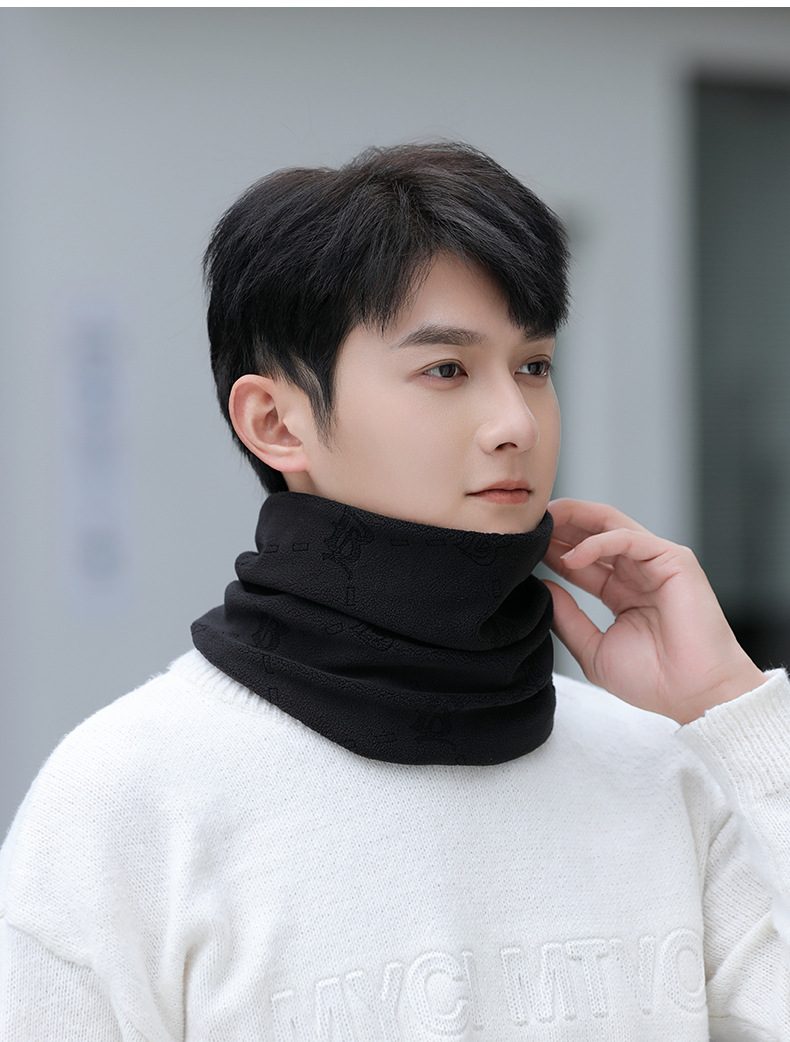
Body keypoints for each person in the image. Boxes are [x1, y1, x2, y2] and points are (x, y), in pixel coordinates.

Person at [1, 142, 788, 1041]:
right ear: (276, 422)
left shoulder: (658, 769)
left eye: (534, 366)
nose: (516, 423)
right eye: (446, 369)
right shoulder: (131, 799)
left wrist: (731, 712)